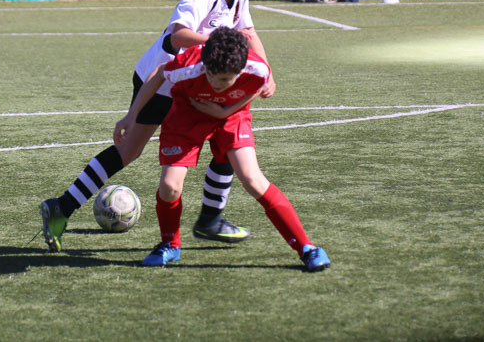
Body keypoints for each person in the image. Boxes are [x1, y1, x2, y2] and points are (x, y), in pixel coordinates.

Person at [40, 0, 277, 252]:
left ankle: (211, 218)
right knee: (129, 151)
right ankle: (61, 207)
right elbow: (177, 35)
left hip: (191, 83)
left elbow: (248, 32)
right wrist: (218, 42)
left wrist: (267, 71)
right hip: (161, 81)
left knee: (227, 141)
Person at [114, 27, 330, 272]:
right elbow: (160, 72)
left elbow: (258, 86)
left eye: (225, 80)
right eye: (211, 76)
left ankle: (307, 248)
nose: (217, 84)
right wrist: (131, 115)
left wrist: (225, 111)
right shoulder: (190, 66)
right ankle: (170, 245)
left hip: (232, 116)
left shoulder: (257, 69)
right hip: (188, 114)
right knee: (169, 186)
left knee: (252, 179)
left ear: (241, 69)